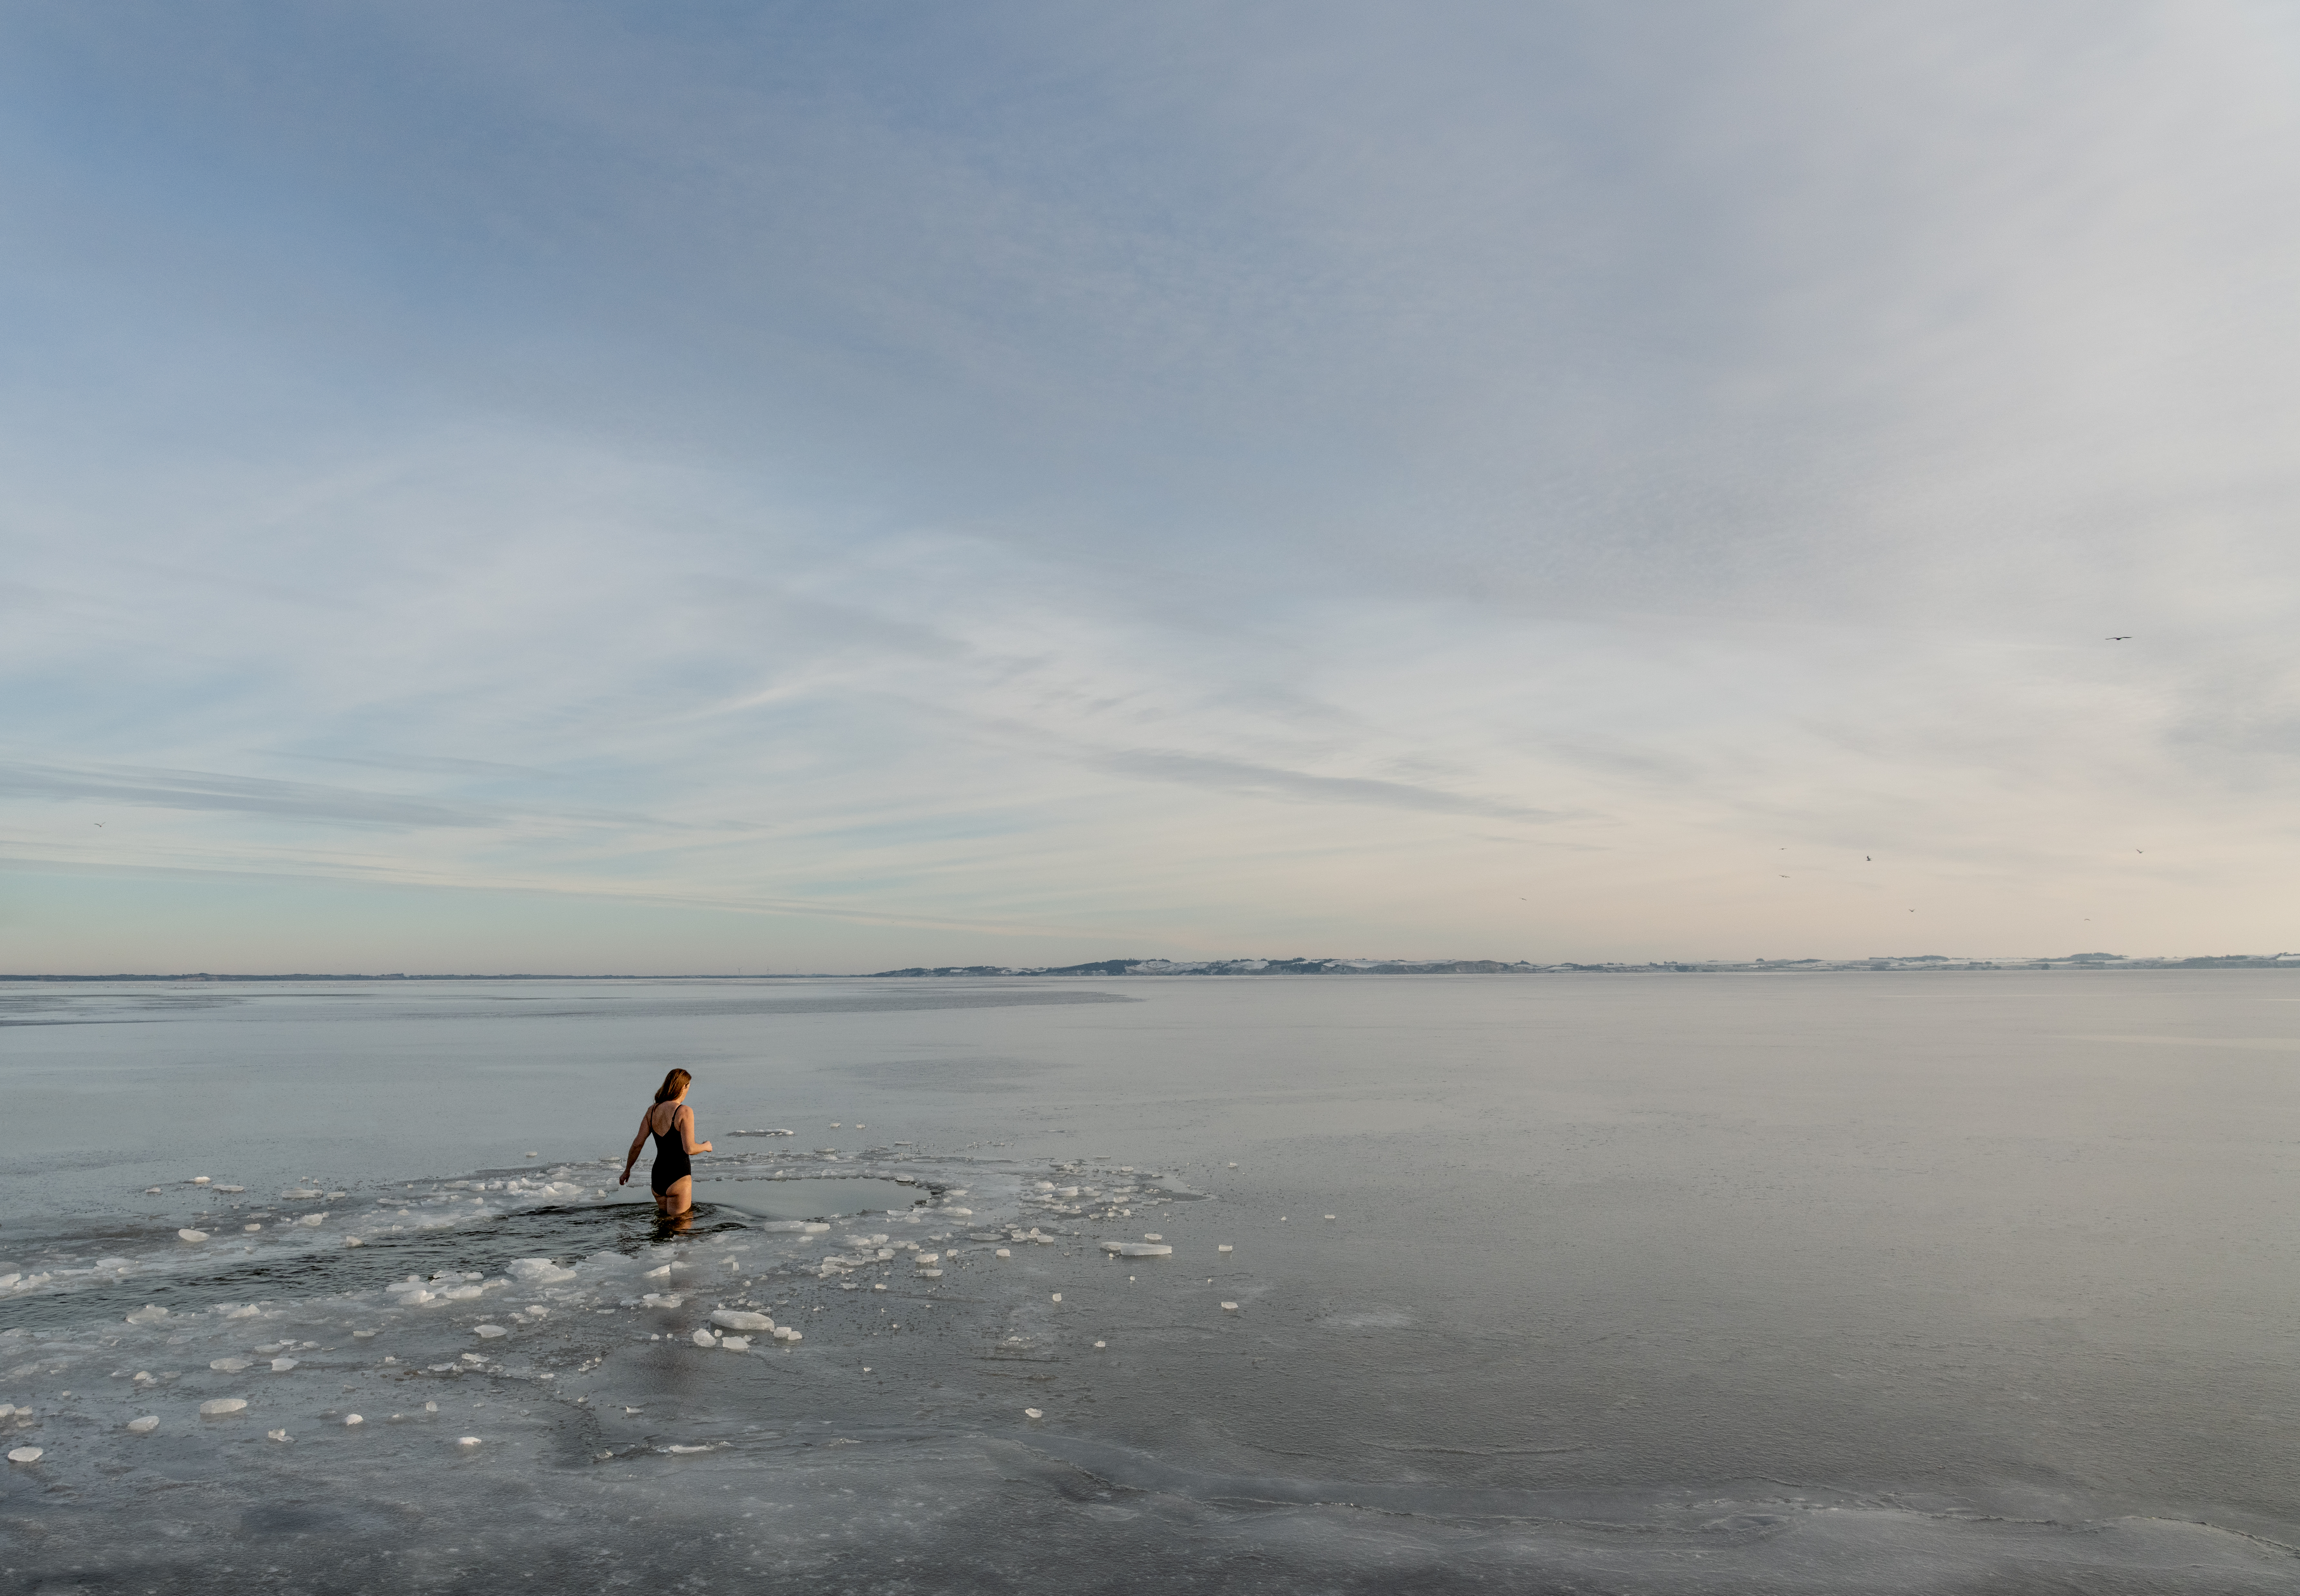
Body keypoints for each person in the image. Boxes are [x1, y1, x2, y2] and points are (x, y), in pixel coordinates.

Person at [619, 1068, 712, 1215]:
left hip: (658, 1178)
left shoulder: (652, 1111)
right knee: (681, 1230)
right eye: (689, 1087)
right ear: (684, 1086)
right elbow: (689, 1149)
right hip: (678, 1175)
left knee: (664, 1224)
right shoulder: (685, 1111)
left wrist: (627, 1170)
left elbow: (638, 1144)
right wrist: (706, 1146)